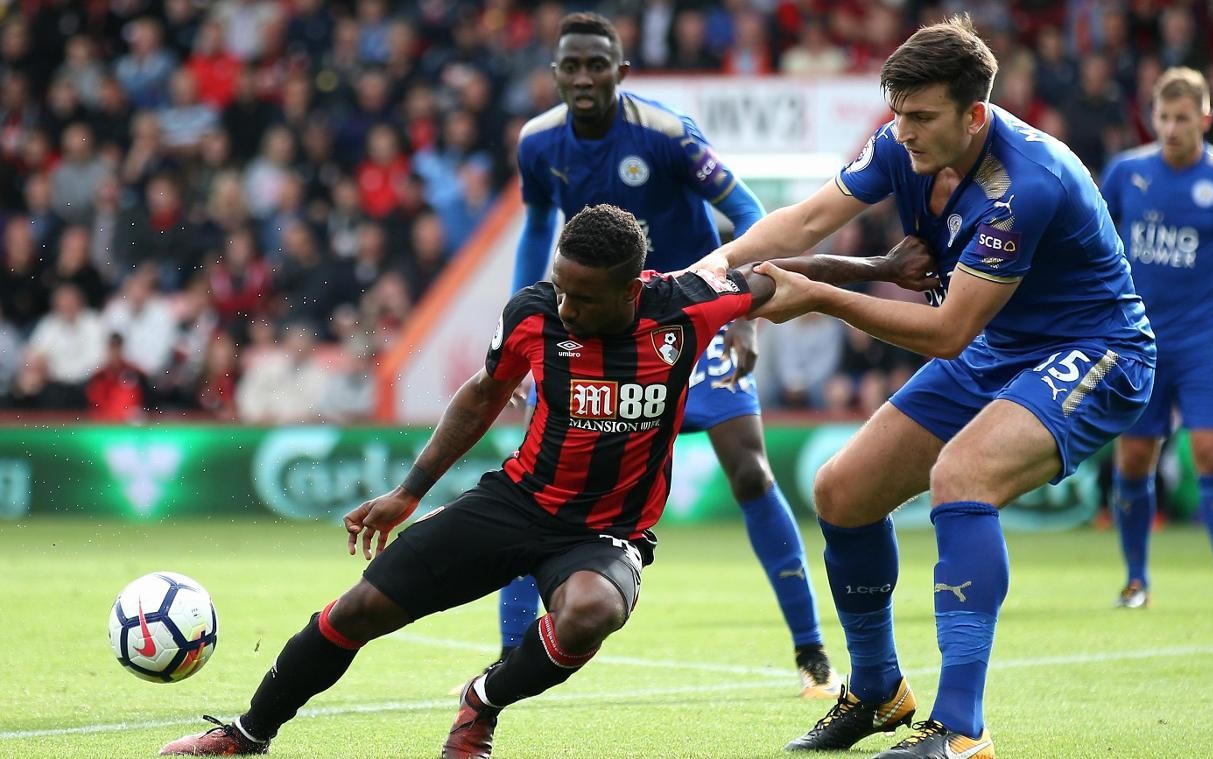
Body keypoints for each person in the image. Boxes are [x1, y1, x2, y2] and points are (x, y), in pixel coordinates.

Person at [157, 204, 930, 759]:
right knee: (359, 608)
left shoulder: (684, 309)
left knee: (592, 609)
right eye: (560, 286)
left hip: (607, 534)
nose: (564, 303)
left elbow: (783, 274)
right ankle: (246, 733)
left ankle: (481, 702)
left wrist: (886, 269)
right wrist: (410, 489)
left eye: (582, 295)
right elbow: (482, 394)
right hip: (517, 501)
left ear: (631, 291)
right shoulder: (534, 314)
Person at [692, 15, 1156, 759]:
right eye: (897, 112)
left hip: (1096, 352)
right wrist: (712, 269)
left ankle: (963, 729)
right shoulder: (903, 144)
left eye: (921, 116)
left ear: (975, 115)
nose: (902, 130)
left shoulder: (1025, 184)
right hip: (1001, 348)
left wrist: (818, 295)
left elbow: (946, 333)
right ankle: (878, 692)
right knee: (843, 490)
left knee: (961, 475)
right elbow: (810, 218)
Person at [487, 11, 842, 699]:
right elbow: (535, 233)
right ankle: (508, 657)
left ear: (622, 70)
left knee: (750, 471)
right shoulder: (537, 144)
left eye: (598, 64)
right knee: (536, 482)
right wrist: (526, 333)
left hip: (687, 318)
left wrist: (743, 317)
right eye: (572, 66)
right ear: (556, 73)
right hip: (593, 327)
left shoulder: (669, 135)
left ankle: (813, 654)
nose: (585, 77)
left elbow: (746, 212)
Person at [1098, 67, 1213, 611]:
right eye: (1164, 117)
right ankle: (1136, 581)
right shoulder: (1124, 173)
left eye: (1184, 118)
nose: (1173, 127)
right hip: (1136, 342)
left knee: (1212, 453)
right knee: (1134, 459)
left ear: (1205, 117)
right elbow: (1098, 252)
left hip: (1205, 341)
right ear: (1152, 117)